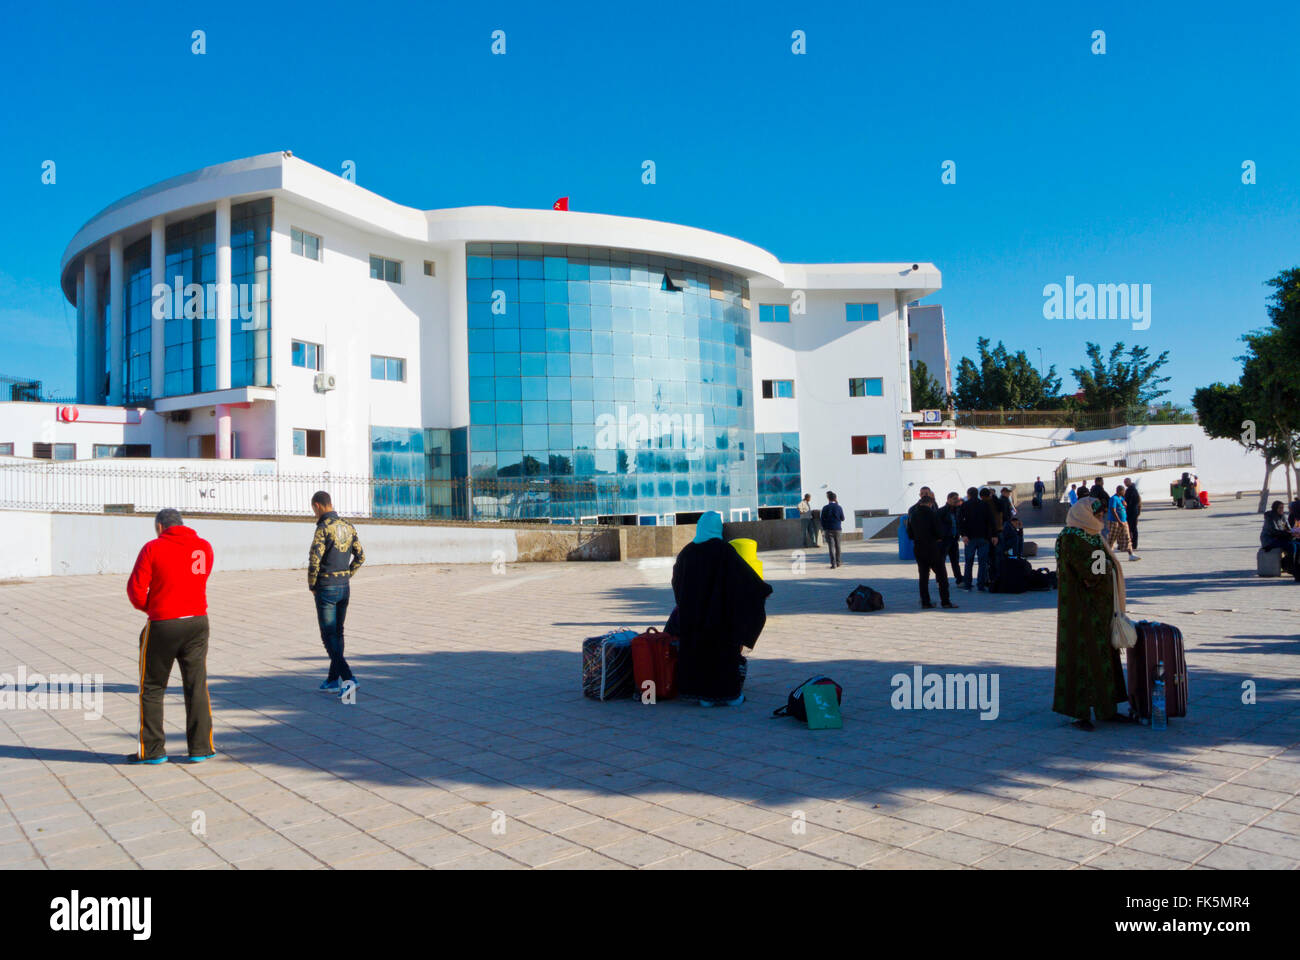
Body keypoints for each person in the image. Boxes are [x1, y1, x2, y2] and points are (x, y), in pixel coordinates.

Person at [125, 508, 216, 764]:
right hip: (197, 620)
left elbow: (135, 589)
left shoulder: (153, 548)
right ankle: (201, 747)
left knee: (152, 686)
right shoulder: (204, 547)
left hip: (164, 622)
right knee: (196, 684)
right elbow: (201, 577)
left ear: (160, 527)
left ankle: (153, 750)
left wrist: (150, 606)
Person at [671, 511, 773, 705]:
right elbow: (745, 578)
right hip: (720, 617)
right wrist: (764, 589)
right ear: (718, 527)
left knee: (698, 654)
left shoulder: (687, 552)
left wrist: (686, 605)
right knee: (723, 656)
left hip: (693, 618)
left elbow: (677, 582)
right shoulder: (723, 551)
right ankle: (730, 696)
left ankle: (704, 696)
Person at [1052, 497, 1133, 730]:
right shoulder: (1071, 538)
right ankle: (1079, 713)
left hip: (1101, 610)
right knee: (1081, 659)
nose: (1101, 519)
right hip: (1080, 611)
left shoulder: (1092, 535)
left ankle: (1106, 708)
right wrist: (1108, 569)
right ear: (1085, 514)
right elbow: (1091, 573)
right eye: (1098, 515)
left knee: (1103, 658)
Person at [308, 491, 366, 698]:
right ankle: (333, 680)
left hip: (326, 586)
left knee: (328, 635)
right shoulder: (348, 526)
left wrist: (312, 584)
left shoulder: (323, 528)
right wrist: (347, 574)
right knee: (338, 633)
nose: (314, 513)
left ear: (318, 506)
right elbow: (360, 556)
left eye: (313, 509)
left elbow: (315, 559)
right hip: (344, 586)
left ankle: (349, 678)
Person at [908, 493, 957, 609]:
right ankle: (945, 601)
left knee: (923, 576)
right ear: (930, 504)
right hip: (932, 548)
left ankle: (925, 602)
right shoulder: (933, 514)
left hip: (919, 548)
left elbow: (910, 534)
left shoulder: (913, 515)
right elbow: (939, 532)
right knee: (941, 575)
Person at [959, 486, 996, 591]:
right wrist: (994, 535)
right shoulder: (984, 505)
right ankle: (981, 584)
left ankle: (967, 583)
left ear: (968, 494)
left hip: (969, 538)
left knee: (969, 562)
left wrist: (963, 534)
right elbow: (991, 520)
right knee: (982, 562)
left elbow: (960, 521)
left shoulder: (964, 505)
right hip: (984, 537)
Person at [937, 491, 964, 586]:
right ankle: (940, 580)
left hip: (954, 539)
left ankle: (959, 579)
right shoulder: (942, 511)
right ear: (948, 499)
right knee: (941, 561)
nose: (956, 500)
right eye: (954, 499)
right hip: (944, 540)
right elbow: (937, 525)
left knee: (955, 561)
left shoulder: (957, 510)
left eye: (957, 498)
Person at [1107, 484, 1139, 561]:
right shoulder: (1113, 498)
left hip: (1124, 522)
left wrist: (1125, 504)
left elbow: (1123, 507)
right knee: (1111, 539)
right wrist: (1119, 521)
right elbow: (1113, 510)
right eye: (1124, 491)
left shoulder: (1121, 498)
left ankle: (1131, 555)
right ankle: (1107, 556)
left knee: (1127, 538)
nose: (1125, 492)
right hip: (1115, 522)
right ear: (1120, 491)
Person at [1261, 501, 1294, 573]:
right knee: (1289, 546)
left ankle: (1291, 564)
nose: (1282, 509)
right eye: (1280, 508)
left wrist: (1292, 532)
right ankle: (1287, 565)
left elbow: (1288, 528)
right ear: (1275, 508)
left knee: (1294, 543)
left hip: (1279, 538)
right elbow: (1273, 531)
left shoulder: (1283, 516)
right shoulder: (1270, 517)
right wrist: (1287, 534)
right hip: (1269, 540)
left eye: (1282, 508)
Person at [820, 491, 845, 568]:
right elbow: (843, 518)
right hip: (837, 529)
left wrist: (824, 528)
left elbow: (822, 519)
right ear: (835, 498)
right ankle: (838, 562)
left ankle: (833, 564)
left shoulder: (825, 508)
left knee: (831, 547)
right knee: (838, 546)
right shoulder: (839, 507)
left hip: (828, 529)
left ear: (828, 498)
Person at [1123, 478, 1142, 554]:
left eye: (1126, 482)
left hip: (1132, 512)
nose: (1125, 484)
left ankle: (1133, 544)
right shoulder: (1131, 489)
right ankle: (1132, 544)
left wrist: (1126, 505)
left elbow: (1132, 502)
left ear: (1129, 482)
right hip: (1133, 512)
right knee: (1132, 528)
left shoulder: (1131, 490)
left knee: (1132, 528)